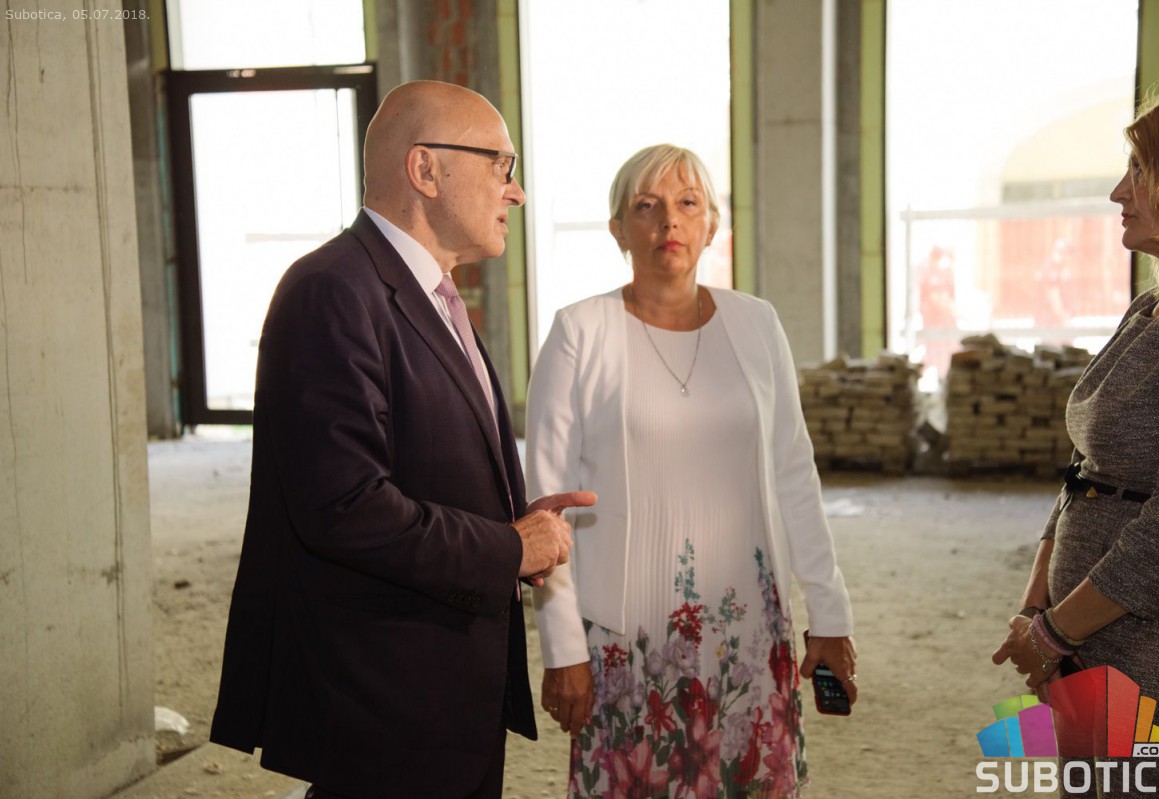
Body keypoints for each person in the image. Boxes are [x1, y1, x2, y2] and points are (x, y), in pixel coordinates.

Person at [208, 80, 595, 799]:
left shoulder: (432, 291)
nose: (515, 192)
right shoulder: (331, 289)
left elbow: (423, 458)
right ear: (425, 169)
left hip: (443, 688)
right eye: (500, 165)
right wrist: (506, 547)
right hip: (381, 695)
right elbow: (344, 507)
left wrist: (512, 519)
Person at [526, 144, 856, 798]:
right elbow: (546, 509)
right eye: (645, 206)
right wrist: (562, 649)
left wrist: (830, 611)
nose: (667, 221)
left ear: (712, 225)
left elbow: (794, 474)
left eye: (687, 203)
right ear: (618, 229)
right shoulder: (578, 332)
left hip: (749, 633)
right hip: (628, 642)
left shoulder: (757, 324)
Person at [992, 84, 1159, 791]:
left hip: (1155, 648)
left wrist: (1055, 630)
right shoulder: (1147, 309)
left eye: (1140, 170)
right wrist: (1035, 607)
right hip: (1082, 637)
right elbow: (1082, 470)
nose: (1119, 192)